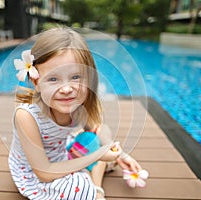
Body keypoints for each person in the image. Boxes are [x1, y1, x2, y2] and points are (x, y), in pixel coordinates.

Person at [9, 28, 142, 200]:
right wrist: (98, 155)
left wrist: (120, 154)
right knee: (80, 188)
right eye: (53, 79)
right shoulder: (26, 116)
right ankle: (96, 184)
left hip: (62, 155)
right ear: (36, 81)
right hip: (36, 175)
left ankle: (95, 181)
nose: (66, 89)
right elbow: (44, 172)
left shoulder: (76, 105)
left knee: (96, 135)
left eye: (75, 77)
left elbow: (98, 129)